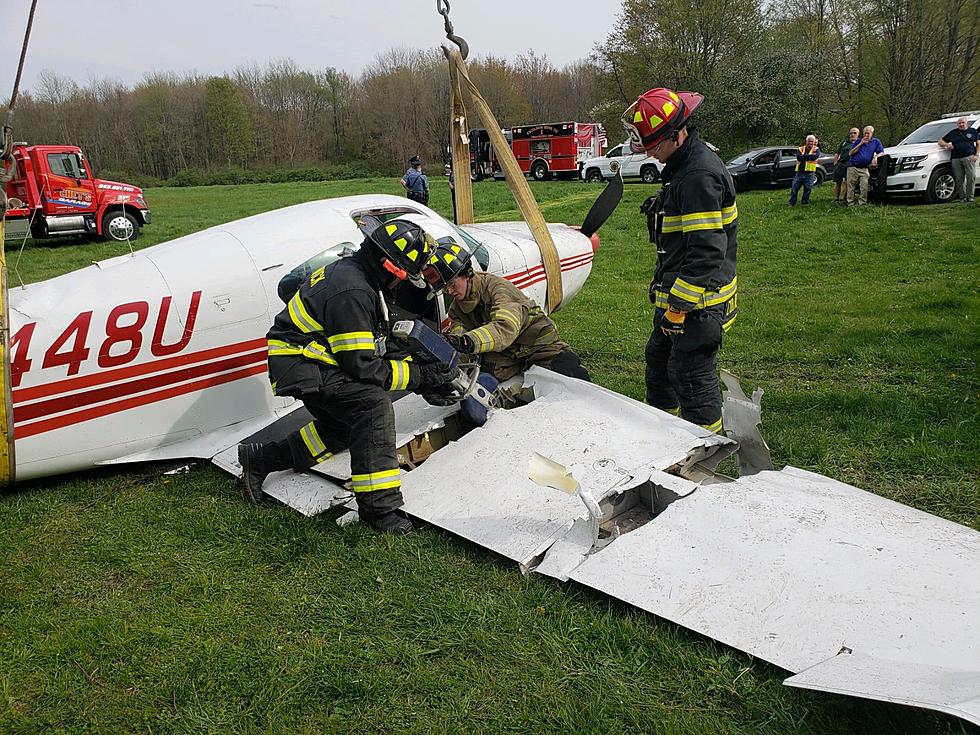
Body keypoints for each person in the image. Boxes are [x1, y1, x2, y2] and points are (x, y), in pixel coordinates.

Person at [238, 218, 457, 535]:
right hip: (302, 363)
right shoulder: (353, 290)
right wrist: (421, 377)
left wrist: (415, 360)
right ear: (390, 267)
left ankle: (261, 460)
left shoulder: (355, 273)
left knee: (343, 426)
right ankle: (380, 511)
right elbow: (363, 367)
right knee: (371, 407)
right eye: (403, 276)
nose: (402, 284)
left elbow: (366, 346)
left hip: (311, 359)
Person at [623, 87, 737, 434]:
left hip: (699, 305)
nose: (651, 155)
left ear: (677, 133)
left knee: (692, 378)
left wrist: (678, 308)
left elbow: (706, 250)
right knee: (659, 364)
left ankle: (703, 455)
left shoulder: (697, 176)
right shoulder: (682, 164)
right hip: (679, 299)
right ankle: (661, 435)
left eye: (654, 146)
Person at [421, 241, 591, 382]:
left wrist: (465, 342)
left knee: (572, 377)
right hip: (504, 355)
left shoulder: (498, 289)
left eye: (451, 284)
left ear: (467, 273)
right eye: (444, 288)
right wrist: (451, 352)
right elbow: (459, 333)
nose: (450, 291)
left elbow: (505, 328)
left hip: (537, 347)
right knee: (479, 381)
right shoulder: (457, 307)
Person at [939, 116, 979, 203]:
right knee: (959, 179)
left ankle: (970, 197)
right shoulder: (953, 133)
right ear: (957, 124)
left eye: (963, 123)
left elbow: (978, 143)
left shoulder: (973, 131)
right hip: (956, 158)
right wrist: (947, 145)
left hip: (969, 157)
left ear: (966, 123)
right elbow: (940, 141)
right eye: (959, 123)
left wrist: (977, 155)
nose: (961, 124)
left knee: (971, 177)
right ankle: (962, 197)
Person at [846, 125, 884, 205]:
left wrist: (876, 157)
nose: (866, 135)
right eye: (864, 133)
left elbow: (882, 152)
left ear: (872, 134)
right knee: (851, 186)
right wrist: (860, 144)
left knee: (864, 186)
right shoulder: (858, 141)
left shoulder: (876, 142)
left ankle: (862, 202)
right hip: (853, 166)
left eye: (868, 133)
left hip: (864, 168)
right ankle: (850, 202)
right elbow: (850, 153)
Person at [789, 134, 821, 206]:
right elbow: (799, 158)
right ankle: (792, 203)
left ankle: (804, 203)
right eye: (809, 141)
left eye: (812, 142)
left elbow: (815, 157)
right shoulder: (800, 149)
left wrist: (804, 156)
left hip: (810, 173)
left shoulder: (816, 149)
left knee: (808, 189)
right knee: (794, 189)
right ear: (806, 141)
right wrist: (809, 157)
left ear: (814, 142)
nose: (810, 143)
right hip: (799, 173)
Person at [833, 128, 860, 204]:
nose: (852, 134)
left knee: (848, 182)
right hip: (841, 163)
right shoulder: (844, 142)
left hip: (851, 165)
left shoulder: (860, 143)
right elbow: (837, 153)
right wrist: (835, 164)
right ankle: (836, 199)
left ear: (858, 134)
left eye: (854, 133)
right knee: (838, 182)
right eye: (851, 133)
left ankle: (843, 198)